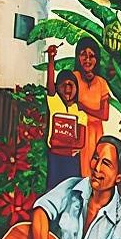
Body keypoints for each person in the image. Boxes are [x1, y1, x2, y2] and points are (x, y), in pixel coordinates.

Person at [44, 44, 86, 188]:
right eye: (64, 85)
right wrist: (51, 58)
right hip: (55, 159)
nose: (67, 89)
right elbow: (50, 85)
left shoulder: (80, 112)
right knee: (53, 191)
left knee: (71, 192)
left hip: (72, 161)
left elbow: (80, 143)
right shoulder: (55, 103)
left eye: (71, 85)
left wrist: (58, 142)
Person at [73, 37, 111, 180]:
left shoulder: (101, 83)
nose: (87, 59)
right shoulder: (73, 78)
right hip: (77, 131)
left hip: (96, 134)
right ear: (78, 57)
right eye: (83, 54)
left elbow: (104, 114)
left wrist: (83, 107)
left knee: (94, 171)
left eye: (92, 55)